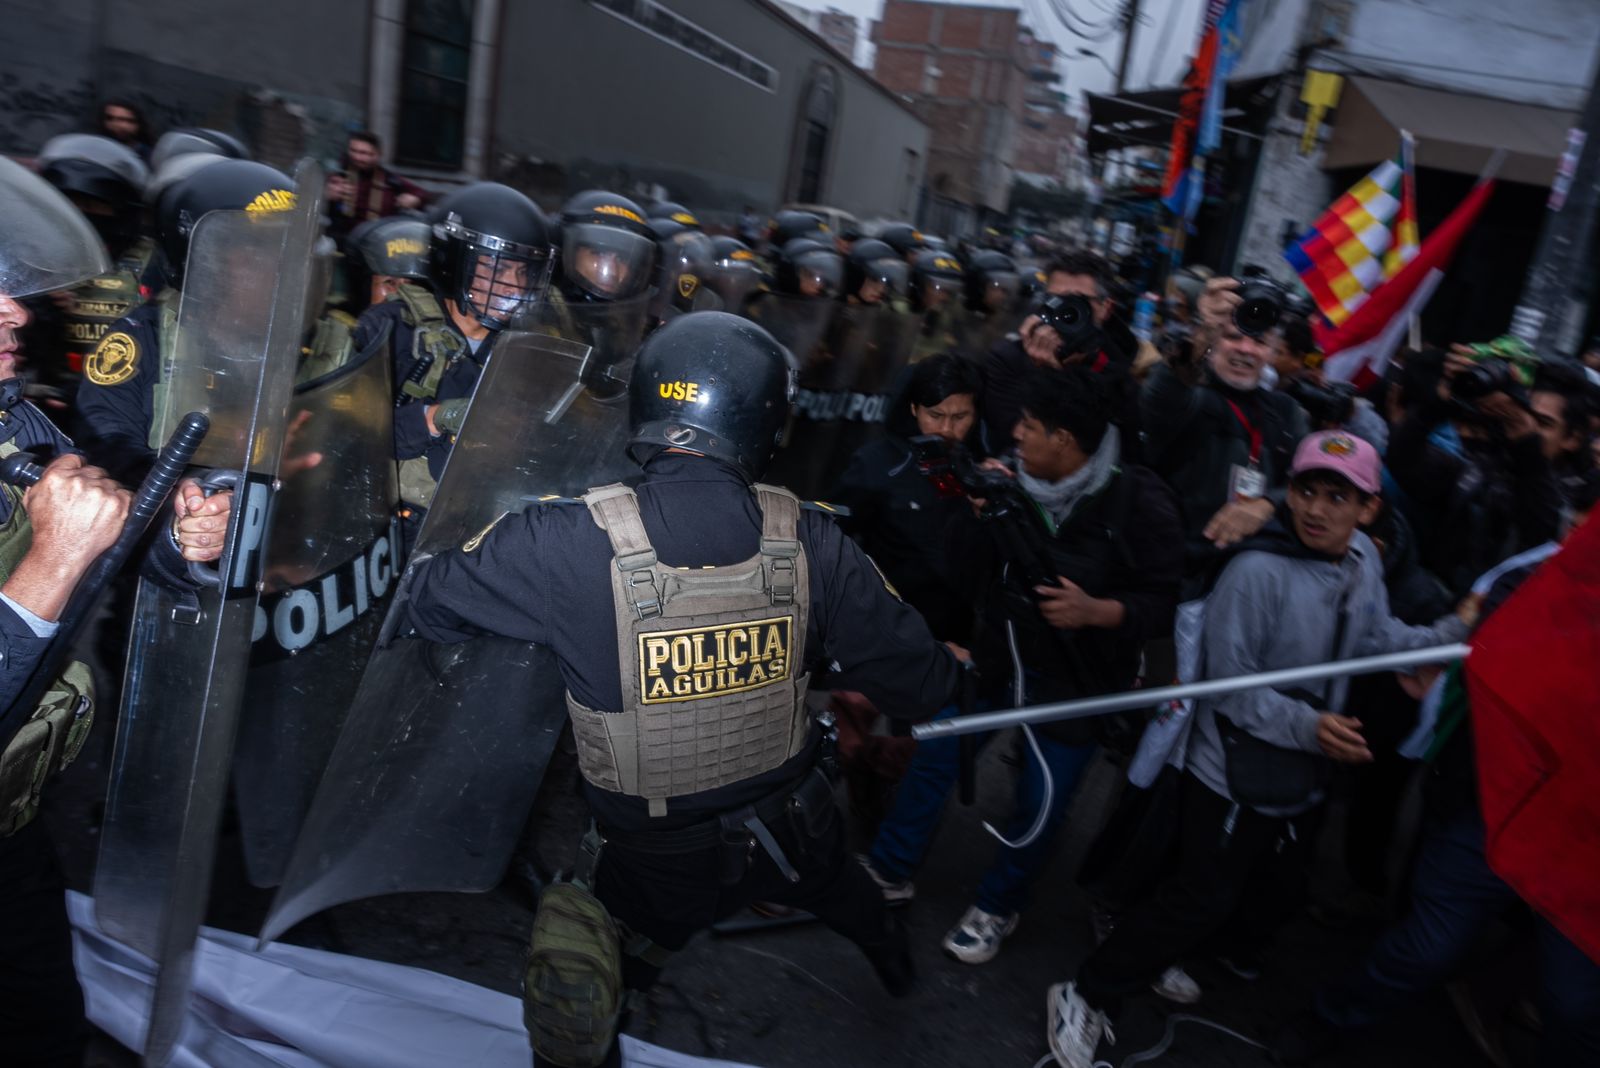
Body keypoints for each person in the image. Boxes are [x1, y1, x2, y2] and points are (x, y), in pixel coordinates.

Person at [392, 312, 964, 1066]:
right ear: (764, 419)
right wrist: (948, 661)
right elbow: (923, 685)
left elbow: (422, 602)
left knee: (589, 985)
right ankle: (892, 960)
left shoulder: (563, 541)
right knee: (844, 893)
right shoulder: (814, 539)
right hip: (797, 823)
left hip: (656, 859)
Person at [1045, 430, 1474, 1068]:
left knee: (1237, 890)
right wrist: (1311, 728)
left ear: (1369, 509)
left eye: (1339, 495)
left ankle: (1152, 956)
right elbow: (1230, 690)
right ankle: (1084, 993)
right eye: (1306, 490)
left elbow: (1377, 633)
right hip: (1226, 771)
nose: (1318, 509)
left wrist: (1452, 631)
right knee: (1198, 896)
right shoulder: (1255, 572)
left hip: (1293, 773)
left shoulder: (1362, 559)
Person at [0, 155, 226, 1068]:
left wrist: (183, 544)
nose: (16, 312)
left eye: (11, 289)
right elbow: (60, 568)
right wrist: (52, 558)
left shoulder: (14, 422)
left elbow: (110, 547)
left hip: (13, 824)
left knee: (46, 1026)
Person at [863, 367, 1182, 970]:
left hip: (1077, 681)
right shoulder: (1007, 475)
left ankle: (998, 905)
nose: (1016, 434)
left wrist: (1101, 611)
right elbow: (963, 570)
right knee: (936, 755)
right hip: (996, 661)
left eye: (1031, 427)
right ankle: (888, 868)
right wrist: (977, 513)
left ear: (1065, 440)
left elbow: (1165, 599)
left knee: (1042, 801)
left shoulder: (1138, 499)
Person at [1279, 473, 1600, 1068]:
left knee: (1576, 1004)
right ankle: (1328, 1019)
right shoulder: (1534, 583)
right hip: (1504, 810)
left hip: (1586, 852)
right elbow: (1497, 670)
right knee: (1427, 947)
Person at [75, 158, 300, 482]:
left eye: (287, 254)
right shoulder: (143, 340)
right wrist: (192, 484)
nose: (278, 271)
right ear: (206, 261)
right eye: (255, 253)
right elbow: (106, 449)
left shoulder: (320, 347)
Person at [349, 181, 554, 530]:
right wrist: (434, 417)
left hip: (483, 523)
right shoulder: (392, 327)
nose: (513, 287)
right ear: (454, 262)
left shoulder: (528, 348)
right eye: (495, 268)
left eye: (522, 272)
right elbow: (349, 438)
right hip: (390, 523)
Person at [1141, 275, 1309, 594]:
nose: (1246, 349)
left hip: (1253, 582)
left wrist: (1267, 505)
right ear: (1214, 343)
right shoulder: (1190, 396)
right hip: (1177, 581)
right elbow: (1161, 395)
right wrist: (1203, 329)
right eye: (1233, 336)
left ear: (1271, 351)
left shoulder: (1285, 411)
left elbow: (1306, 482)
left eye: (1259, 342)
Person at [1387, 339, 1563, 596]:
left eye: (1543, 423)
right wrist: (1440, 403)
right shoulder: (1469, 464)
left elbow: (1542, 530)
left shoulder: (1559, 486)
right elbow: (1403, 463)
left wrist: (1527, 442)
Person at [325, 131, 429, 240]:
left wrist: (414, 199)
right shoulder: (337, 177)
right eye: (353, 151)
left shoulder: (390, 180)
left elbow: (422, 194)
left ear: (378, 155)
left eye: (364, 153)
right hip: (339, 241)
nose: (357, 157)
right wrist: (326, 197)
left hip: (375, 242)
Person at [97, 98, 154, 162]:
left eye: (128, 120)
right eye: (110, 118)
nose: (119, 125)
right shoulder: (95, 150)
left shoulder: (148, 155)